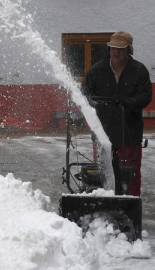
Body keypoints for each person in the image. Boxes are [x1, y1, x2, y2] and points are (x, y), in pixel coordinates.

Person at [82, 31, 152, 196]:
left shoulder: (139, 70)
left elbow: (145, 96)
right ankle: (105, 200)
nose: (116, 52)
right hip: (103, 131)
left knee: (131, 172)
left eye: (120, 48)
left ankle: (131, 203)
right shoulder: (97, 70)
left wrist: (127, 102)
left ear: (128, 50)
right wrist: (93, 104)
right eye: (113, 48)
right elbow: (85, 92)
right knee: (103, 170)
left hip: (129, 131)